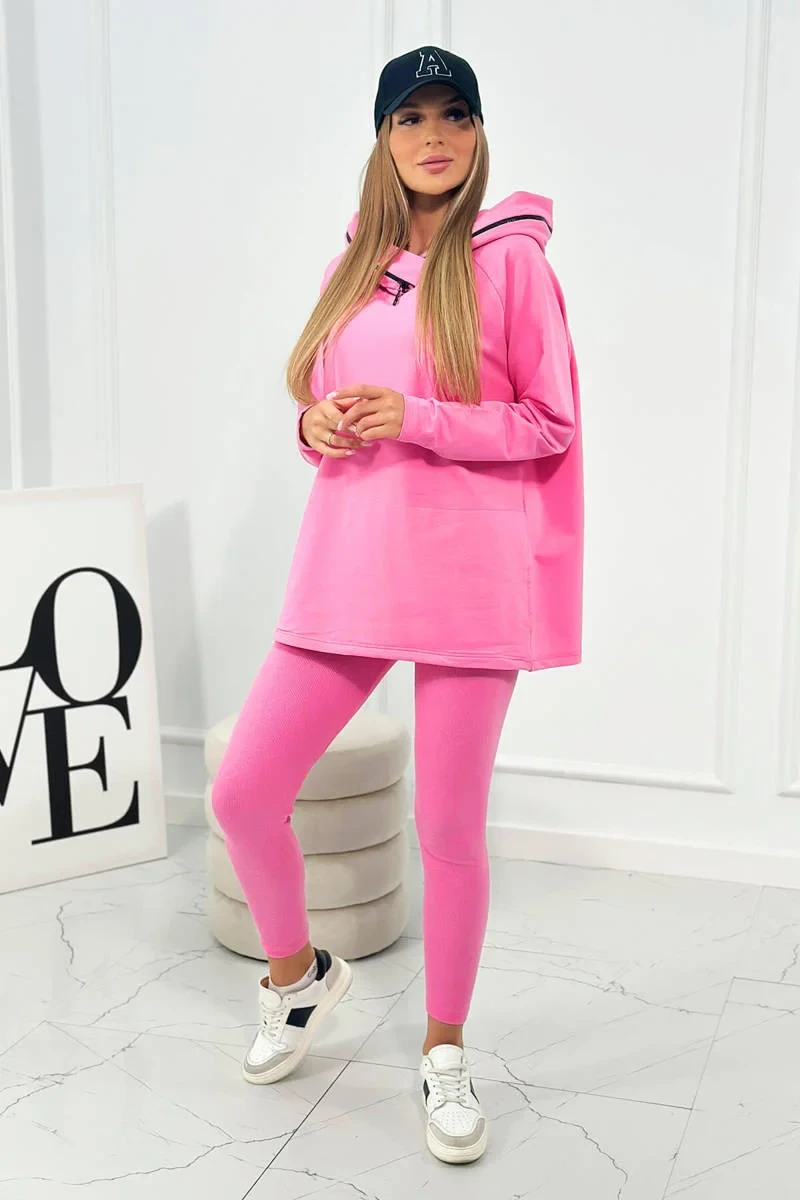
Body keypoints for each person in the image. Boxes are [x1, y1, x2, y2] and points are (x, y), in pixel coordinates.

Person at [212, 44, 583, 1166]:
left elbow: (548, 424)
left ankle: (444, 1050)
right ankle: (297, 977)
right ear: (382, 138)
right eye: (410, 117)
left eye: (454, 114)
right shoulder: (355, 261)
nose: (434, 135)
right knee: (243, 794)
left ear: (477, 134)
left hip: (467, 578)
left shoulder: (510, 262)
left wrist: (418, 418)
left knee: (448, 832)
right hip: (350, 563)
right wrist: (316, 423)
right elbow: (323, 403)